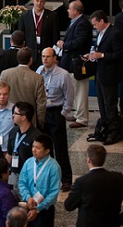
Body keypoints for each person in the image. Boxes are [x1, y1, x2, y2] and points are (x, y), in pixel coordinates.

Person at [64, 144, 123, 227]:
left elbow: (69, 206)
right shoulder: (117, 178)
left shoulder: (81, 182)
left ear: (89, 160)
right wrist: (122, 220)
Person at [88, 10, 123, 145]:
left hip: (110, 75)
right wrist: (92, 55)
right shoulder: (100, 34)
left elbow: (120, 54)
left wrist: (102, 55)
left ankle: (113, 132)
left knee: (110, 105)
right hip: (100, 74)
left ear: (101, 21)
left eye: (95, 24)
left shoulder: (115, 33)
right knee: (102, 105)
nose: (94, 27)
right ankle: (105, 128)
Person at [36, 47, 73, 190]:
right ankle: (48, 178)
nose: (45, 59)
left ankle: (66, 179)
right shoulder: (39, 71)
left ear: (54, 58)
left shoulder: (63, 74)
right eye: (43, 56)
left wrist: (63, 113)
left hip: (56, 112)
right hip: (42, 112)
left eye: (48, 56)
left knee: (60, 147)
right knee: (45, 148)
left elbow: (69, 97)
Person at [58, 1, 91, 128]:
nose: (68, 11)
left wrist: (64, 45)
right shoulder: (76, 22)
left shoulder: (82, 23)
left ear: (75, 11)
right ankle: (78, 114)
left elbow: (79, 42)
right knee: (75, 90)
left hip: (77, 63)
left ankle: (82, 118)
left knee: (80, 91)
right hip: (71, 63)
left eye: (69, 9)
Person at [18, 134, 62, 227]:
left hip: (45, 210)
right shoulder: (28, 162)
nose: (33, 150)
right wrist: (28, 197)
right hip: (28, 206)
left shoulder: (54, 167)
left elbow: (53, 192)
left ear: (47, 151)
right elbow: (22, 183)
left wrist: (37, 209)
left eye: (37, 148)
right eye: (33, 146)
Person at [0, 48, 46, 128]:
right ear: (31, 59)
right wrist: (40, 122)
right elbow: (41, 104)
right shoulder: (38, 78)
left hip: (9, 118)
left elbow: (0, 95)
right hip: (29, 120)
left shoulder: (5, 74)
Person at [18, 0, 60, 65]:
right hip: (30, 53)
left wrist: (55, 55)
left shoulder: (52, 16)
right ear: (33, 1)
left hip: (46, 53)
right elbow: (21, 34)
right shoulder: (25, 16)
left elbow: (55, 36)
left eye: (41, 1)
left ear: (44, 2)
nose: (39, 3)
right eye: (37, 1)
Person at [7, 101, 41, 185]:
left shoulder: (36, 137)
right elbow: (9, 154)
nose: (13, 115)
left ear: (23, 117)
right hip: (13, 173)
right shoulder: (13, 132)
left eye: (15, 113)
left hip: (29, 176)